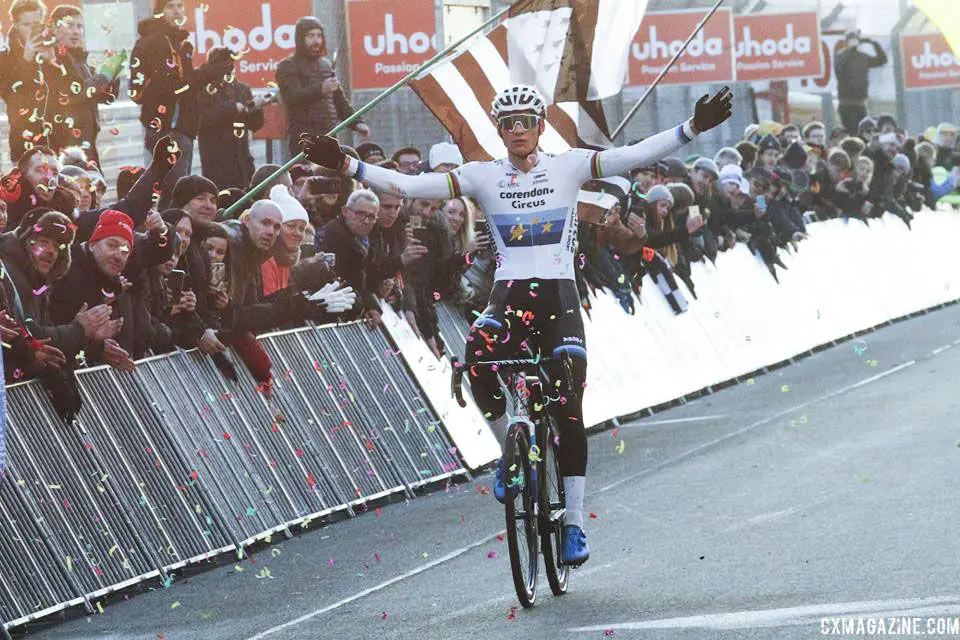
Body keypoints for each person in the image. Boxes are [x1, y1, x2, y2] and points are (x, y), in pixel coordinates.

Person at [299, 83, 733, 567]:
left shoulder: (567, 165)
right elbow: (408, 187)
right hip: (509, 297)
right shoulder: (483, 176)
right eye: (509, 123)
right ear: (500, 129)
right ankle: (510, 447)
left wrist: (693, 128)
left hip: (558, 298)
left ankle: (572, 522)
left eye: (528, 121)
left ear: (541, 126)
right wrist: (347, 165)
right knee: (477, 361)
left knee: (568, 408)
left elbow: (630, 156)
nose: (519, 130)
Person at [129, 0, 234, 209]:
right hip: (169, 128)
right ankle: (165, 238)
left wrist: (210, 71)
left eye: (180, 5)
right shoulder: (157, 42)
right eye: (170, 6)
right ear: (159, 12)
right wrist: (207, 72)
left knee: (174, 195)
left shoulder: (175, 42)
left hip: (179, 128)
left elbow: (186, 86)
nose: (177, 11)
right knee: (173, 198)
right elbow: (173, 87)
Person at [276, 17, 369, 156]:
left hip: (329, 135)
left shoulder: (325, 65)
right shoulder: (288, 66)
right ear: (300, 38)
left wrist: (357, 123)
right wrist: (321, 89)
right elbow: (291, 96)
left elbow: (339, 100)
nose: (316, 40)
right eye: (311, 35)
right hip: (303, 138)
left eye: (319, 35)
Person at [43, 5, 124, 165]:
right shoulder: (54, 58)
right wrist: (105, 74)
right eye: (70, 25)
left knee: (94, 187)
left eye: (79, 26)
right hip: (66, 144)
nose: (76, 31)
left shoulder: (80, 58)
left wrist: (114, 73)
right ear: (55, 30)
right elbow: (73, 93)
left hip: (87, 141)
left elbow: (105, 97)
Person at [1, 0, 49, 161]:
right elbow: (10, 94)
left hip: (59, 137)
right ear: (15, 24)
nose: (31, 30)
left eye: (36, 24)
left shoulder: (53, 49)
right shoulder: (4, 57)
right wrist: (27, 57)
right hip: (25, 142)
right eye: (26, 24)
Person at [198, 77, 266, 189]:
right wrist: (231, 107)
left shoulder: (242, 89)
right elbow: (202, 120)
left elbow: (255, 125)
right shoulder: (204, 89)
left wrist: (257, 109)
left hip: (243, 161)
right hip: (217, 163)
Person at [834, 29, 887, 132]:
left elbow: (882, 60)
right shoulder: (841, 56)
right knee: (850, 132)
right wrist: (851, 49)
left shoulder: (863, 58)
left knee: (862, 132)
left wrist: (873, 43)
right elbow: (840, 69)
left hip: (860, 103)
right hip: (846, 104)